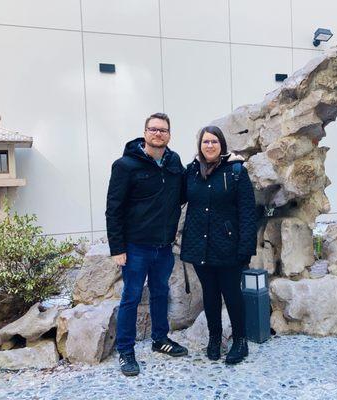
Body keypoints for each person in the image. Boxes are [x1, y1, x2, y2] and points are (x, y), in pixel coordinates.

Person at [106, 112, 188, 377]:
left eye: (163, 130)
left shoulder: (174, 163)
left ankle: (159, 339)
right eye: (153, 129)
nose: (158, 134)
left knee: (160, 293)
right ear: (145, 133)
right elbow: (113, 210)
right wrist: (117, 248)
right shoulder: (125, 165)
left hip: (164, 246)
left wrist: (223, 162)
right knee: (130, 297)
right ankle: (126, 350)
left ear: (169, 135)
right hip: (135, 247)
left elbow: (189, 189)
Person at [180, 125, 257, 364]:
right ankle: (214, 339)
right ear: (200, 146)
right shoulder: (191, 172)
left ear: (221, 144)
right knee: (210, 294)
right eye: (205, 142)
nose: (210, 146)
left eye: (214, 141)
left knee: (232, 293)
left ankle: (240, 341)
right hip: (199, 246)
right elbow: (177, 198)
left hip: (228, 247)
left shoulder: (235, 172)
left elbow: (247, 213)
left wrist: (245, 248)